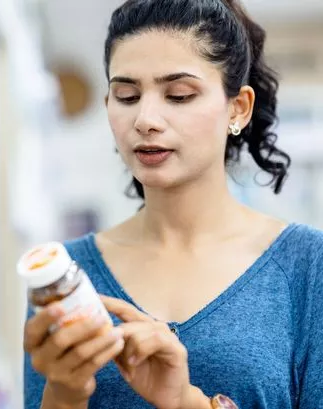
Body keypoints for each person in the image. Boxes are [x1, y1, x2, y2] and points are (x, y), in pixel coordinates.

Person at [23, 0, 323, 408]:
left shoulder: (306, 265)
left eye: (178, 95)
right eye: (127, 95)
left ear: (238, 108)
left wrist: (184, 400)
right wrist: (65, 392)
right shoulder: (68, 276)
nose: (145, 118)